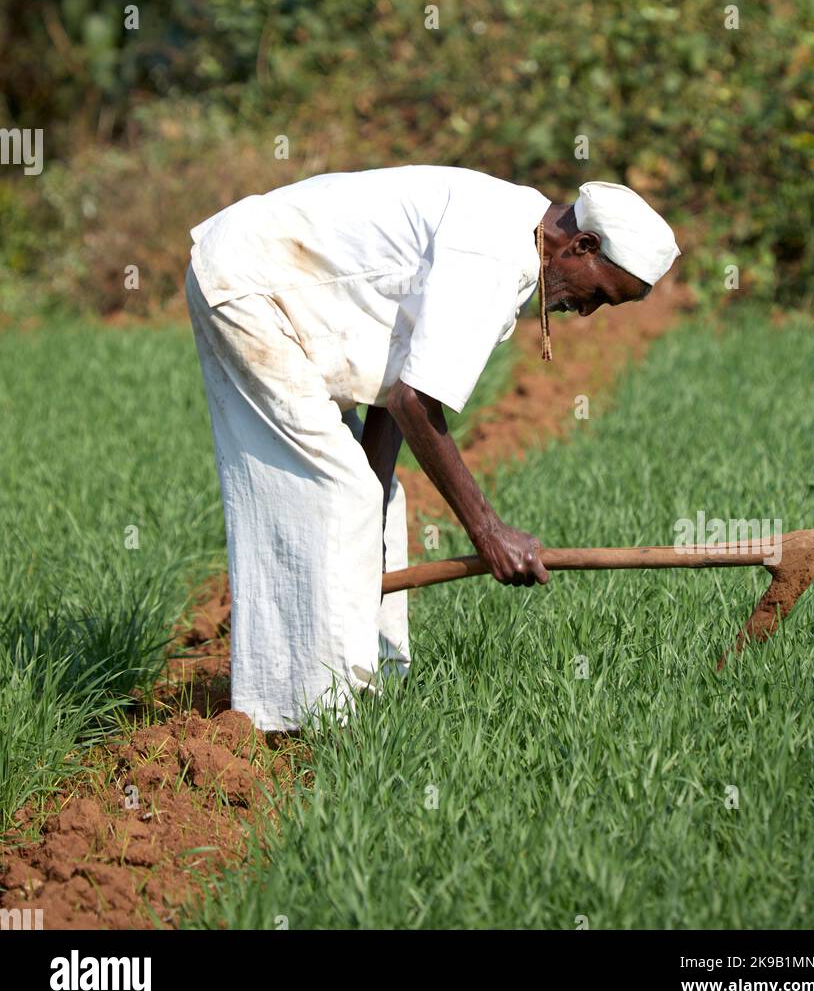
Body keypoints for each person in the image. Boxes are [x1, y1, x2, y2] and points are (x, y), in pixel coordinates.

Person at [185, 166, 680, 731]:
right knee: (335, 494)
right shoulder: (494, 253)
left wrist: (371, 495)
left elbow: (398, 375)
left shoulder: (519, 233)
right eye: (598, 294)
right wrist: (489, 533)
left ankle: (372, 690)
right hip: (251, 286)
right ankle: (310, 713)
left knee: (373, 499)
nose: (587, 312)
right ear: (583, 245)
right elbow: (415, 401)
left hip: (279, 288)